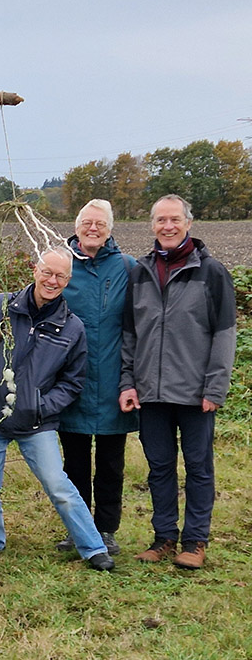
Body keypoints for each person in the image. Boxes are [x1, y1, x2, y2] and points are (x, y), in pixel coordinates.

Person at [0, 247, 114, 570]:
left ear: (68, 281)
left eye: (60, 276)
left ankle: (94, 548)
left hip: (37, 423)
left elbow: (72, 383)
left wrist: (40, 406)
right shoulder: (2, 306)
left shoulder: (72, 328)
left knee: (58, 485)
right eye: (47, 272)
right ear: (35, 270)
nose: (52, 280)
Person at [120, 194, 236, 570]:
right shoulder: (140, 271)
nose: (167, 227)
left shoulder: (212, 272)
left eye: (174, 220)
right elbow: (130, 335)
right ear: (151, 225)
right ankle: (164, 538)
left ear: (188, 223)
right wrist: (128, 383)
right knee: (159, 467)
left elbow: (224, 335)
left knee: (199, 466)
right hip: (151, 392)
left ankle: (195, 541)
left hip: (195, 392)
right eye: (160, 220)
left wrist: (214, 388)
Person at [54, 200, 138, 557]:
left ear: (109, 229)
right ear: (76, 227)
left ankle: (106, 529)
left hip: (113, 381)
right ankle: (77, 529)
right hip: (71, 381)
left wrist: (131, 378)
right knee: (73, 462)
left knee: (110, 463)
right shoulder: (61, 265)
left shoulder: (127, 267)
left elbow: (138, 324)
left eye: (100, 224)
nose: (93, 228)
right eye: (87, 222)